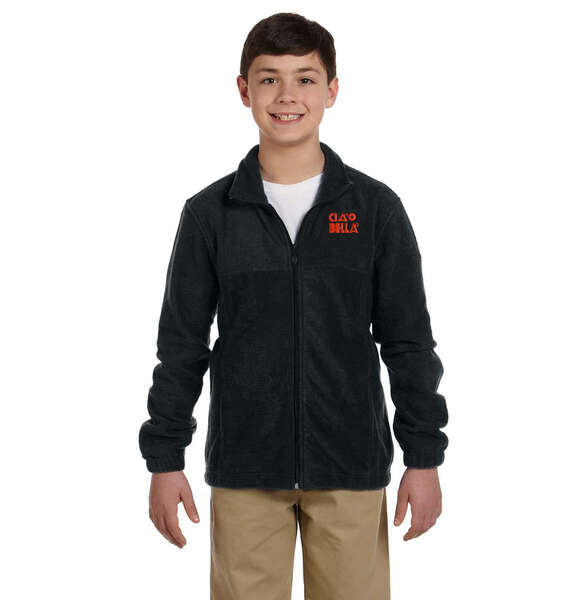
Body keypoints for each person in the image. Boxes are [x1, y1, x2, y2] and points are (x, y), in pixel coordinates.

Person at [139, 12, 449, 600]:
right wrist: (164, 458)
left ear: (332, 90)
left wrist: (424, 456)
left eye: (305, 79)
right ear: (244, 90)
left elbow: (408, 342)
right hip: (245, 469)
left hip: (351, 465)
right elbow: (181, 346)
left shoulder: (375, 209)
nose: (287, 96)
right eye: (269, 79)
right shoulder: (209, 215)